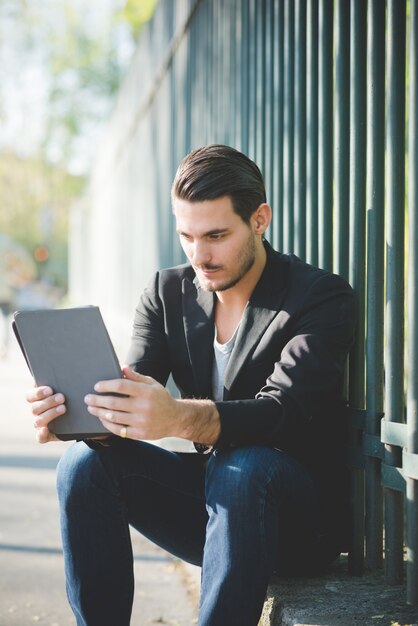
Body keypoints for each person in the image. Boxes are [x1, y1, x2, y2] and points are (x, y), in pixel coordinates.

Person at [26, 145, 355, 626]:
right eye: (187, 236)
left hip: (295, 522)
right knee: (83, 465)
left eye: (217, 235)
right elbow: (131, 397)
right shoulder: (167, 293)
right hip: (217, 513)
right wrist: (78, 419)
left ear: (260, 219)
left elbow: (282, 412)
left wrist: (178, 417)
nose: (200, 255)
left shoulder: (319, 296)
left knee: (245, 462)